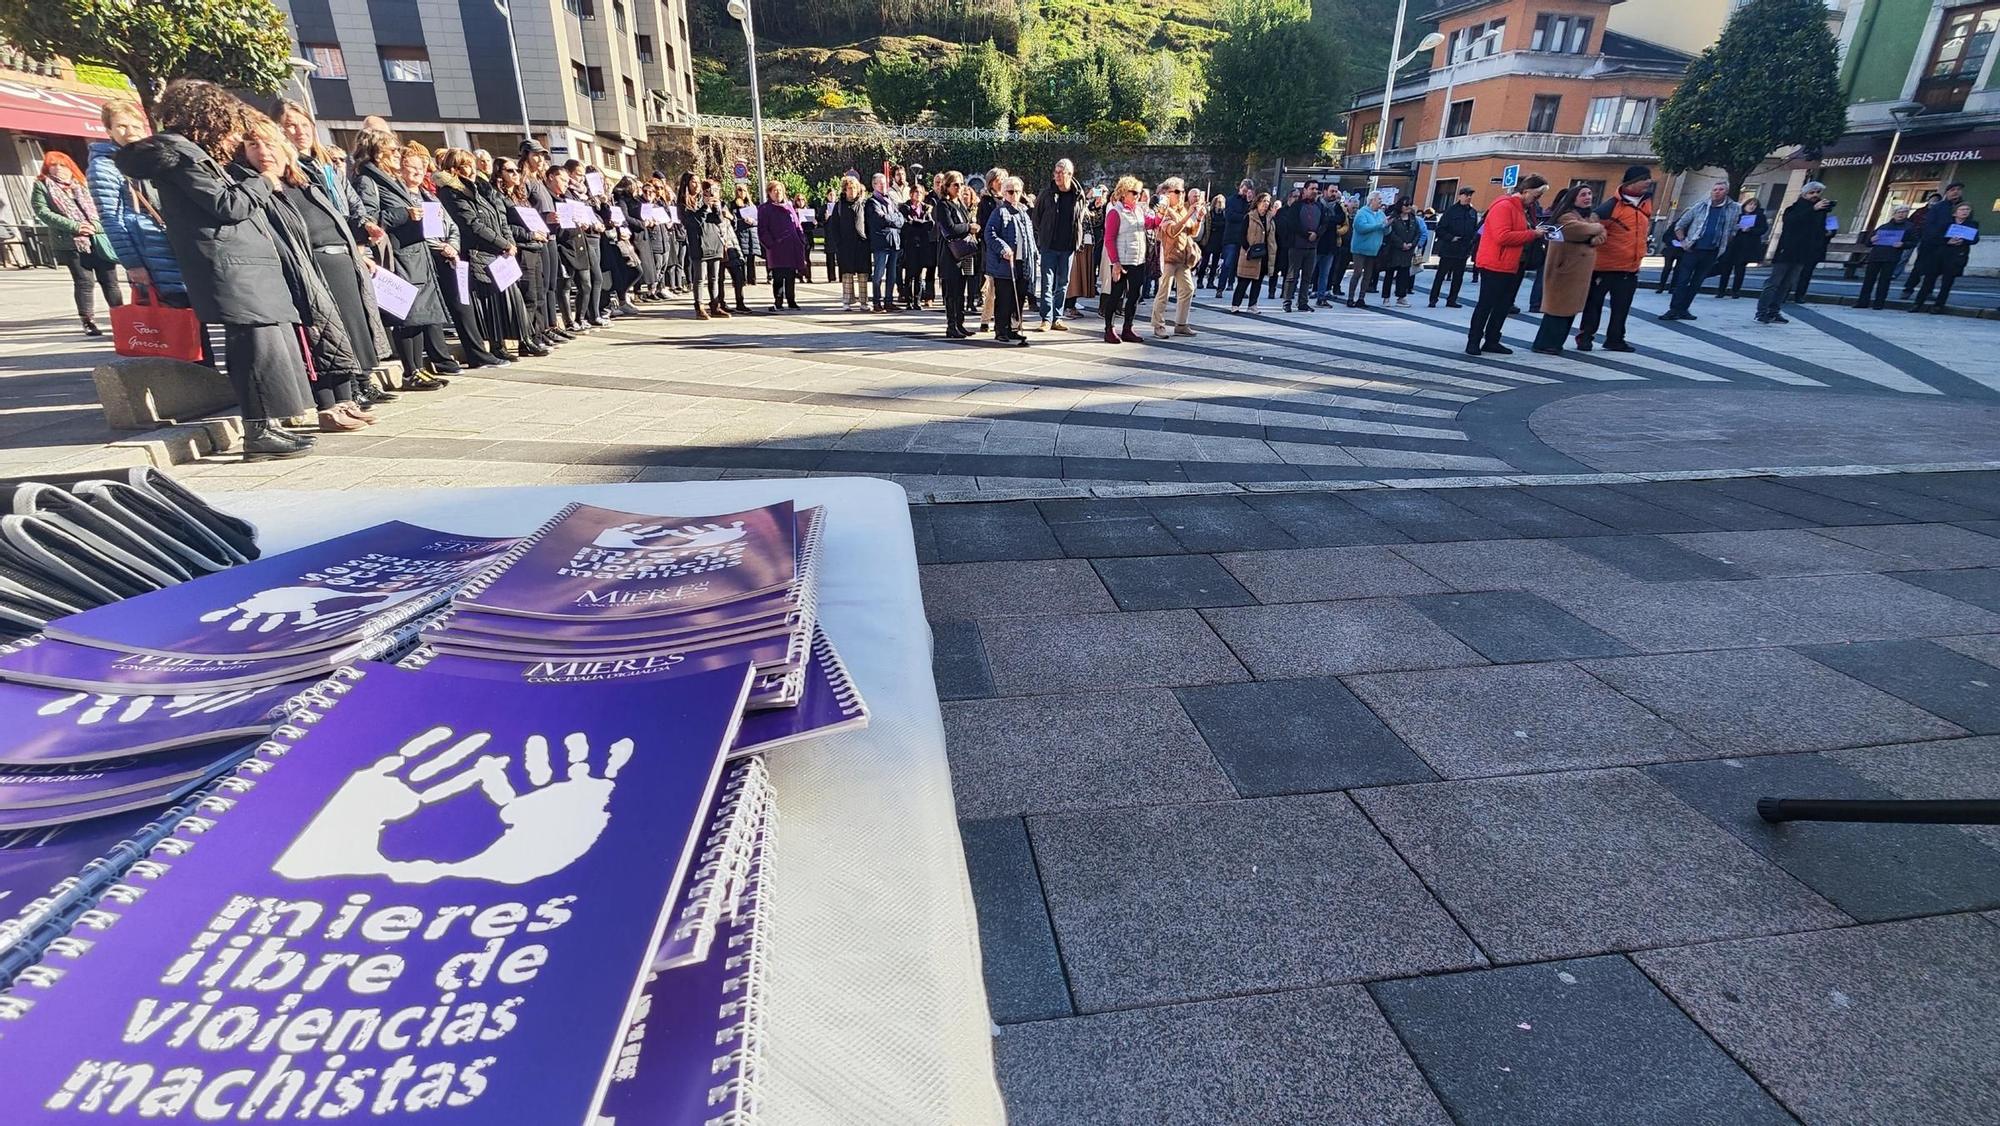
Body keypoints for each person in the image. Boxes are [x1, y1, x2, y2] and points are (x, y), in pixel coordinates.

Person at [113, 80, 316, 458]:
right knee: (252, 350)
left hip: (243, 266)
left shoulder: (192, 153)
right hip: (230, 268)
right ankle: (258, 433)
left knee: (266, 348)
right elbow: (226, 206)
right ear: (207, 118)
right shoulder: (183, 156)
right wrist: (263, 182)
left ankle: (268, 425)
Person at [238, 114, 373, 434]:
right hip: (305, 267)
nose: (264, 151)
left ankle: (345, 400)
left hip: (335, 262)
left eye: (270, 144)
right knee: (318, 337)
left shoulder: (301, 179)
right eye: (253, 145)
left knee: (340, 336)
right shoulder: (257, 185)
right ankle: (327, 406)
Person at [351, 131, 453, 388]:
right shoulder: (368, 180)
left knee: (418, 316)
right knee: (406, 316)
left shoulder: (391, 179)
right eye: (393, 151)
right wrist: (403, 213)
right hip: (399, 256)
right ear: (377, 152)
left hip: (415, 253)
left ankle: (418, 367)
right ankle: (410, 372)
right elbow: (368, 220)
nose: (399, 155)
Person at [88, 100, 187, 317]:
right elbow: (111, 220)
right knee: (177, 318)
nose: (130, 131)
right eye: (122, 126)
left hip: (171, 244)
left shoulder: (149, 158)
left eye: (136, 126)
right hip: (148, 251)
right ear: (109, 130)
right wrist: (133, 264)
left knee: (192, 315)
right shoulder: (104, 166)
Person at [33, 151, 123, 335]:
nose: (58, 169)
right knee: (84, 282)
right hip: (71, 241)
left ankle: (121, 317)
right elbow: (43, 212)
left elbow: (103, 206)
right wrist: (75, 226)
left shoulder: (82, 184)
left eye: (62, 165)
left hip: (98, 239)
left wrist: (96, 226)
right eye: (54, 165)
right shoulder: (42, 186)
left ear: (70, 166)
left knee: (110, 281)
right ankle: (88, 320)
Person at [1466, 173, 1548, 357]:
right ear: (1525, 191)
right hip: (1496, 263)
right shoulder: (1504, 207)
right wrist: (1532, 234)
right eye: (1536, 196)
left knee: (1503, 305)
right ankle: (1474, 341)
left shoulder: (1525, 209)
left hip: (1514, 263)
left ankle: (1492, 340)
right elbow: (1502, 236)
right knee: (1486, 305)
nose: (1537, 200)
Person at [1575, 164, 1653, 353]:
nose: (1648, 183)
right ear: (1631, 183)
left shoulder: (1646, 203)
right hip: (1604, 266)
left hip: (1630, 267)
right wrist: (1597, 239)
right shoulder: (1609, 207)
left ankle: (1615, 339)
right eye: (1644, 180)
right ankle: (1585, 337)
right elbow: (1592, 230)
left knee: (1622, 307)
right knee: (1593, 305)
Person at [1530, 186, 1605, 355]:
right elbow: (1579, 230)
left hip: (1580, 273)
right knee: (1557, 310)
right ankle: (1544, 343)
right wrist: (1596, 229)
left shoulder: (1591, 216)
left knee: (1569, 310)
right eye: (1583, 194)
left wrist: (1595, 233)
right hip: (1564, 270)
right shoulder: (1566, 217)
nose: (1588, 197)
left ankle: (1556, 343)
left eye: (1590, 194)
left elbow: (1602, 236)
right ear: (1573, 198)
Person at [1660, 181, 1740, 321]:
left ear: (1726, 192)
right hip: (1693, 250)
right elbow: (1680, 225)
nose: (1717, 192)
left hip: (1712, 251)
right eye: (1714, 189)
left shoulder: (1734, 209)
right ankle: (1674, 309)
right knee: (1682, 280)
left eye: (1721, 189)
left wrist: (1726, 242)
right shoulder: (1700, 206)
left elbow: (1733, 229)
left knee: (1697, 282)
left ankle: (1684, 309)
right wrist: (1684, 242)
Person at [1756, 181, 1832, 325]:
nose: (1815, 195)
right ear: (1804, 194)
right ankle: (1762, 311)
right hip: (1787, 250)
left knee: (1787, 284)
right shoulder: (1794, 209)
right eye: (1812, 192)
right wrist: (1813, 210)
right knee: (1774, 282)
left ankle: (1774, 310)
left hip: (1803, 253)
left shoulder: (1820, 212)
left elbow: (1817, 231)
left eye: (1818, 192)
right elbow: (1792, 222)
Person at [1099, 175, 1157, 343]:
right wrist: (1115, 263)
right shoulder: (1115, 212)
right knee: (1117, 294)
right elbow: (1109, 239)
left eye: (1139, 193)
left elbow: (1150, 223)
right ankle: (1109, 328)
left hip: (1138, 259)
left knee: (1135, 295)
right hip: (1122, 260)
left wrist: (1163, 216)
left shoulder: (1138, 210)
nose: (1138, 196)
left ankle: (1127, 327)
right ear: (1124, 193)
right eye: (1134, 192)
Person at [1029, 158, 1085, 331]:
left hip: (1068, 246)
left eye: (1061, 172)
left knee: (1062, 283)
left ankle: (1057, 318)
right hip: (1049, 246)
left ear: (1070, 174)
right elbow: (1036, 218)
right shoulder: (1046, 193)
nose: (1058, 176)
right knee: (1047, 283)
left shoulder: (1078, 194)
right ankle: (1046, 318)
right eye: (1056, 172)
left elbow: (1079, 219)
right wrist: (1045, 235)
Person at [982, 175, 1032, 346]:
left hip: (1021, 262)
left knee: (1018, 297)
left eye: (1017, 191)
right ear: (1004, 193)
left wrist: (1033, 254)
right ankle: (1001, 330)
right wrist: (1003, 249)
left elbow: (1030, 237)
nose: (1014, 195)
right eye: (1010, 192)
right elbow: (990, 234)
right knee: (1004, 297)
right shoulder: (999, 212)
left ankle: (1013, 328)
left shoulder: (1023, 212)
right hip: (1004, 263)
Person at [1151, 178, 1202, 338]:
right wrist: (1188, 215)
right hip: (1168, 256)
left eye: (1182, 192)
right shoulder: (1165, 210)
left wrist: (1198, 218)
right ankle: (1158, 324)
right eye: (1178, 192)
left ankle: (1181, 323)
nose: (1181, 195)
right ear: (1168, 193)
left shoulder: (1181, 210)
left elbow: (1192, 232)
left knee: (1188, 289)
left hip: (1182, 256)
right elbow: (1172, 231)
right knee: (1163, 291)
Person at [1909, 202, 1977, 313]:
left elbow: (1975, 239)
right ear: (1955, 213)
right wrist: (1947, 241)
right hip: (1940, 255)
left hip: (1957, 256)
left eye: (1967, 209)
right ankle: (1918, 304)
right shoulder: (1946, 224)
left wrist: (1963, 241)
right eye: (1962, 209)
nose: (1965, 211)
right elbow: (1935, 237)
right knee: (1928, 280)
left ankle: (1938, 306)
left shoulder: (1972, 225)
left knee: (1947, 283)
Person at [936, 171, 977, 339]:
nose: (959, 188)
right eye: (955, 185)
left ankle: (960, 323)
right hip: (949, 254)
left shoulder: (959, 203)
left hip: (964, 254)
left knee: (961, 290)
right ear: (947, 186)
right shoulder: (943, 205)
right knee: (951, 291)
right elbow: (950, 228)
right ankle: (951, 325)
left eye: (961, 184)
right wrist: (969, 227)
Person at [1856, 204, 1916, 310]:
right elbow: (1868, 242)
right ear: (1894, 214)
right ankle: (1862, 301)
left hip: (1891, 257)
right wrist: (1871, 240)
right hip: (1876, 256)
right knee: (1868, 280)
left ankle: (1879, 303)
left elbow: (1913, 242)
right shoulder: (1884, 226)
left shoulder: (1909, 227)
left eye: (1904, 212)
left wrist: (1903, 244)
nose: (1901, 214)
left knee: (1884, 281)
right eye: (1899, 212)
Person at [758, 179, 806, 312]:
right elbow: (762, 230)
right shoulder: (765, 208)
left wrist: (801, 238)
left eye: (780, 190)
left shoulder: (789, 206)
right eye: (775, 191)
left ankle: (792, 301)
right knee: (778, 276)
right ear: (769, 193)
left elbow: (797, 224)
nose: (778, 193)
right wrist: (771, 244)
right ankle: (778, 302)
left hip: (792, 246)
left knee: (791, 275)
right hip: (777, 248)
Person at [689, 179, 732, 319]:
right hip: (701, 244)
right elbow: (696, 221)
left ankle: (715, 305)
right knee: (700, 278)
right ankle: (699, 307)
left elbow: (719, 220)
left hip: (715, 242)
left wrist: (717, 207)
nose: (711, 193)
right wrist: (705, 206)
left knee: (715, 277)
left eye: (714, 190)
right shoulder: (695, 202)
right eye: (708, 191)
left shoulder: (715, 203)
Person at [1428, 186, 1478, 308]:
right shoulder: (1451, 211)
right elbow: (1440, 229)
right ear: (1460, 196)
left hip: (1463, 249)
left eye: (1470, 195)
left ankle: (1452, 300)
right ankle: (1433, 299)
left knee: (1458, 277)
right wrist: (1451, 238)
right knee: (1441, 275)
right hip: (1449, 249)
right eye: (1466, 195)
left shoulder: (1473, 212)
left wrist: (1472, 242)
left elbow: (1474, 230)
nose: (1468, 197)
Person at [863, 171, 905, 314]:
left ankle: (889, 301)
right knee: (879, 274)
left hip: (894, 242)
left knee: (892, 275)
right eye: (880, 183)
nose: (883, 186)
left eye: (884, 183)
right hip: (881, 243)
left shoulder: (890, 200)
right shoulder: (871, 202)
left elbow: (901, 219)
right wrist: (892, 219)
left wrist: (891, 218)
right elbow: (880, 220)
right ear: (874, 185)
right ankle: (877, 302)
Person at [1278, 180, 1323, 313]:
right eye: (1312, 188)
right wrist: (1306, 234)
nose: (1314, 191)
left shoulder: (1319, 207)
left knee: (1307, 277)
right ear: (1305, 190)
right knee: (1292, 275)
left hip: (1312, 247)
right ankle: (1287, 301)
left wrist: (1317, 234)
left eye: (1316, 189)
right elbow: (1292, 224)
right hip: (1297, 246)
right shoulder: (1296, 206)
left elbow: (1324, 222)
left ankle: (1303, 302)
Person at [1230, 192, 1277, 312]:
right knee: (1244, 281)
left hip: (1264, 254)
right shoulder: (1249, 217)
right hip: (1250, 254)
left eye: (1267, 202)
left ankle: (1252, 305)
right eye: (1263, 201)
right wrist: (1248, 248)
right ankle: (1235, 304)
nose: (1265, 204)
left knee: (1258, 281)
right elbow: (1242, 235)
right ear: (1257, 203)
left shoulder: (1270, 218)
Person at [828, 175, 870, 311]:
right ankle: (847, 301)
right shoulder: (839, 206)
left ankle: (864, 302)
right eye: (849, 189)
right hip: (845, 245)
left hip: (862, 244)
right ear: (844, 190)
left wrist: (867, 240)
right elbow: (834, 226)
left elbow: (869, 223)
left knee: (863, 274)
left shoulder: (864, 204)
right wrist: (838, 243)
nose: (852, 191)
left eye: (854, 188)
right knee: (847, 274)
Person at [1712, 194, 1767, 298]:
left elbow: (1763, 229)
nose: (1752, 206)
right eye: (1750, 204)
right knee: (1726, 269)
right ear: (1745, 205)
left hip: (1746, 247)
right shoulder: (1738, 215)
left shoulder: (1760, 217)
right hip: (1733, 245)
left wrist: (1750, 230)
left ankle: (1735, 291)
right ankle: (1721, 291)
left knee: (1740, 270)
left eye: (1754, 205)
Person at [1346, 191, 1387, 307]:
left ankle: (1361, 298)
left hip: (1373, 249)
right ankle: (1350, 297)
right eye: (1379, 199)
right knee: (1357, 273)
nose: (1380, 201)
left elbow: (1386, 231)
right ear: (1372, 200)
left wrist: (1388, 226)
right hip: (1360, 248)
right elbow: (1361, 228)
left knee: (1368, 274)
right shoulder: (1362, 213)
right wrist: (1380, 225)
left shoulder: (1381, 214)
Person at [1377, 200, 1422, 306]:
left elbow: (1418, 232)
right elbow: (1390, 233)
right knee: (1389, 274)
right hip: (1394, 250)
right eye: (1406, 205)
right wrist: (1401, 244)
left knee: (1404, 275)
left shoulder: (1413, 218)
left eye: (1410, 205)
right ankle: (1386, 297)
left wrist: (1412, 244)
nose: (1408, 207)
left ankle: (1401, 297)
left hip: (1408, 251)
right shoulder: (1394, 217)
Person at [899, 183, 935, 309]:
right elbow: (906, 224)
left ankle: (917, 301)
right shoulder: (905, 207)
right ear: (911, 194)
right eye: (916, 192)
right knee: (909, 274)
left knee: (919, 275)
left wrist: (916, 223)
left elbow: (930, 224)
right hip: (910, 244)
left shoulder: (926, 208)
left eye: (920, 192)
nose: (918, 195)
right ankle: (908, 301)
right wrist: (920, 224)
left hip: (923, 244)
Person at [1214, 179, 1252, 297]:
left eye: (1248, 192)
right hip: (1231, 237)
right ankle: (1220, 288)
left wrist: (1249, 202)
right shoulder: (1231, 200)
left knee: (1242, 265)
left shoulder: (1250, 203)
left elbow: (1252, 216)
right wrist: (1245, 217)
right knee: (1228, 263)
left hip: (1244, 238)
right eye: (1244, 190)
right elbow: (1230, 216)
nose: (1245, 193)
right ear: (1240, 188)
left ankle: (1239, 288)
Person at [1314, 194, 1350, 308]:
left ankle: (1321, 298)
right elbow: (1319, 220)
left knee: (1325, 274)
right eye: (1332, 191)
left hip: (1331, 245)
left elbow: (1342, 219)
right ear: (1325, 192)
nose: (1334, 194)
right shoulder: (1318, 205)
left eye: (1336, 191)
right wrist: (1331, 221)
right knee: (1309, 273)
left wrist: (1329, 220)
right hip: (1317, 244)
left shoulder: (1338, 207)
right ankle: (1302, 298)